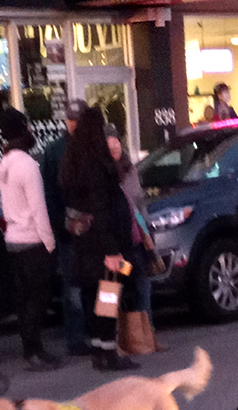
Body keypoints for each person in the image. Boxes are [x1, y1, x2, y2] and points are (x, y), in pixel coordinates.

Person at [59, 106, 138, 371]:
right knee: (108, 297)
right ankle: (108, 352)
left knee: (93, 297)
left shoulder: (72, 159)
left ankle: (97, 350)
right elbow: (101, 207)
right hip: (104, 243)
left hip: (84, 240)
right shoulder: (95, 162)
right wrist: (113, 249)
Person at [0, 108, 62, 371]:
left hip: (13, 239)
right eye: (28, 126)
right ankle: (35, 349)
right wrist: (50, 242)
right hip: (32, 240)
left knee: (24, 299)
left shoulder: (5, 164)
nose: (32, 131)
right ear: (22, 130)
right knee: (38, 297)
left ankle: (30, 348)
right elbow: (38, 208)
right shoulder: (27, 165)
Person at [105, 123, 165, 353]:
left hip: (135, 240)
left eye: (116, 142)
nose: (115, 147)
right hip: (114, 243)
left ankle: (146, 337)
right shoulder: (101, 174)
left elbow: (139, 205)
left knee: (141, 285)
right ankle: (111, 342)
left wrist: (147, 233)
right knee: (111, 289)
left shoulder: (129, 169)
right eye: (110, 144)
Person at [41, 99, 90, 356]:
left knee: (99, 283)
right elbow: (48, 191)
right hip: (68, 229)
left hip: (93, 229)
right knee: (73, 285)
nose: (73, 124)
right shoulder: (54, 150)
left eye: (77, 120)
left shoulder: (94, 147)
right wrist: (58, 222)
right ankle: (76, 338)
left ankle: (101, 335)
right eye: (70, 119)